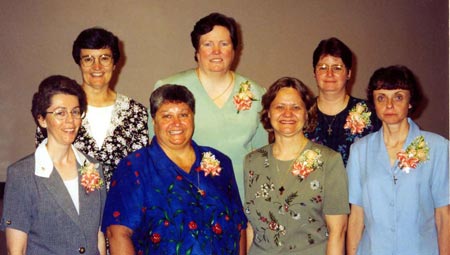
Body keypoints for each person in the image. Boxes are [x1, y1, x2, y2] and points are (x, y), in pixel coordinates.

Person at [102, 84, 247, 255]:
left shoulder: (220, 162)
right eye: (167, 116)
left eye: (183, 115)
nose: (176, 123)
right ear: (154, 120)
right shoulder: (134, 168)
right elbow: (118, 234)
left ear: (193, 117)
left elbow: (240, 226)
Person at [149, 13, 267, 200]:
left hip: (241, 198)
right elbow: (155, 152)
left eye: (224, 44)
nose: (216, 51)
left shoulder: (256, 93)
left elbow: (264, 154)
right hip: (184, 197)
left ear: (235, 50)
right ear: (197, 50)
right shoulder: (168, 89)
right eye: (208, 44)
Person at [346, 65, 449, 255]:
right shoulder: (360, 151)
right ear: (374, 103)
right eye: (381, 97)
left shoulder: (439, 148)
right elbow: (356, 217)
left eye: (398, 96)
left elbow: (443, 217)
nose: (389, 105)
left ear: (410, 101)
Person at [1, 75, 106, 255]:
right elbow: (16, 249)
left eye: (75, 111)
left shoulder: (93, 167)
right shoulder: (22, 174)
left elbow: (98, 234)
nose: (70, 121)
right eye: (60, 113)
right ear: (42, 119)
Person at [244, 77, 349, 254]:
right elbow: (251, 228)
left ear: (306, 113)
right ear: (268, 112)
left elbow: (337, 233)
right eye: (279, 107)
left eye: (296, 107)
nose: (287, 113)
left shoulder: (328, 161)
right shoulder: (252, 161)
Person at [36, 27, 148, 190]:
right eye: (88, 59)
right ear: (79, 63)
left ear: (115, 63)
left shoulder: (136, 114)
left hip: (123, 209)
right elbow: (43, 168)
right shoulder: (56, 111)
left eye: (104, 58)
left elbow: (142, 172)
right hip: (71, 209)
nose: (97, 67)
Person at [304, 37, 380, 165]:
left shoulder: (370, 113)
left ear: (349, 73)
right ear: (314, 72)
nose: (329, 73)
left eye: (337, 68)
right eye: (323, 67)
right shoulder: (301, 113)